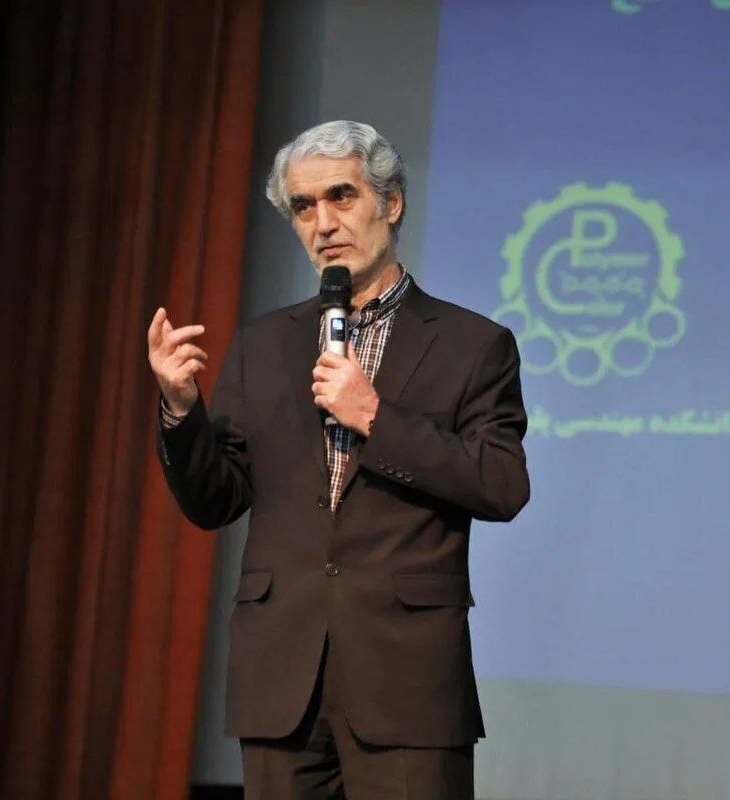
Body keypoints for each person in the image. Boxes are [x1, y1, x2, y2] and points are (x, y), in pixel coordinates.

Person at [148, 120, 530, 799]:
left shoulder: (474, 345)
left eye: (341, 196)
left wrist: (375, 418)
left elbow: (501, 484)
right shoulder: (263, 344)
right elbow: (215, 500)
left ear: (391, 203)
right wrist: (181, 411)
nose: (323, 222)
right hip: (280, 676)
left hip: (406, 679)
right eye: (303, 206)